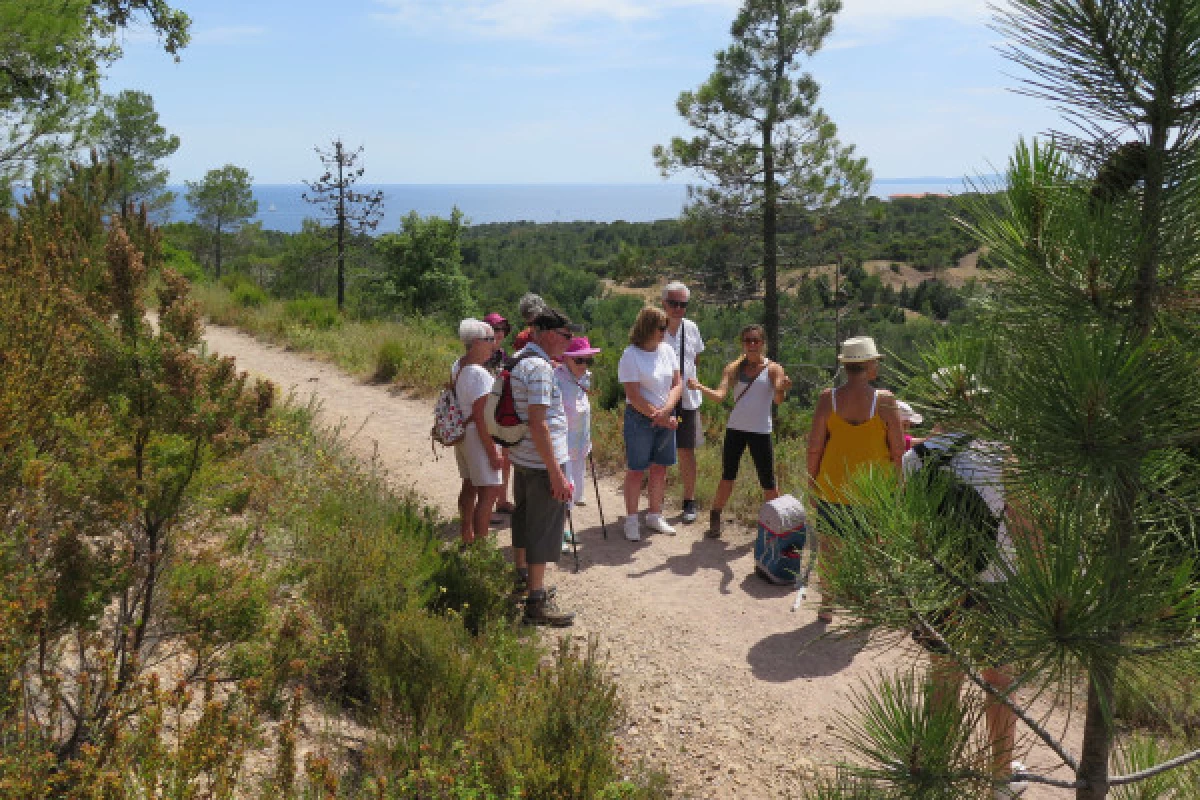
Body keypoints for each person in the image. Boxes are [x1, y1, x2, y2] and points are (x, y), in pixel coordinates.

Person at [903, 369, 1028, 800]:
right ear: (972, 403)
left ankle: (935, 772)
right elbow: (1026, 525)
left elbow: (911, 530)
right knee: (1001, 681)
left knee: (943, 678)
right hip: (997, 584)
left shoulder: (914, 458)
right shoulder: (1001, 454)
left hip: (941, 583)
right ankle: (998, 779)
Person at [806, 335, 905, 621]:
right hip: (873, 492)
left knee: (829, 549)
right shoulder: (884, 401)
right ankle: (869, 608)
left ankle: (827, 605)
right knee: (871, 550)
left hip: (833, 486)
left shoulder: (829, 399)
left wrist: (811, 483)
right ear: (871, 366)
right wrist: (899, 489)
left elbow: (815, 446)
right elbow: (898, 450)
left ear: (847, 366)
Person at [689, 324, 791, 538]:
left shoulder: (773, 368)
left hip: (761, 431)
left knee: (768, 481)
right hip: (736, 428)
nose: (752, 344)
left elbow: (778, 399)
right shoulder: (733, 368)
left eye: (756, 340)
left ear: (763, 343)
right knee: (728, 475)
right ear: (742, 343)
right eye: (748, 340)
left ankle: (777, 525)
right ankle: (715, 515)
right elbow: (719, 396)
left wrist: (781, 388)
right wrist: (699, 387)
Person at [509, 308, 577, 626]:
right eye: (567, 336)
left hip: (523, 458)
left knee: (523, 520)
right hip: (540, 463)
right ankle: (536, 601)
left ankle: (522, 576)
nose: (569, 342)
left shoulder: (520, 358)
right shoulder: (539, 368)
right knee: (542, 530)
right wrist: (557, 473)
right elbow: (539, 424)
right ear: (550, 334)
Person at [617, 306, 682, 542]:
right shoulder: (630, 355)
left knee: (660, 468)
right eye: (661, 327)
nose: (665, 332)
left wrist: (666, 411)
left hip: (665, 415)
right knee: (636, 470)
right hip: (640, 419)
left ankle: (654, 515)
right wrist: (661, 416)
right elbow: (633, 395)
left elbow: (678, 383)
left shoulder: (667, 350)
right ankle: (632, 519)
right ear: (647, 328)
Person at [450, 319, 504, 547]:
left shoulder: (459, 365)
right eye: (489, 339)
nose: (494, 344)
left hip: (464, 434)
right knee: (489, 492)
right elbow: (482, 416)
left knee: (469, 485)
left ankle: (467, 536)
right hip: (478, 436)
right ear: (476, 342)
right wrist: (493, 452)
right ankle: (481, 551)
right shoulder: (479, 374)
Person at [662, 281, 705, 524]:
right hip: (662, 398)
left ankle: (689, 500)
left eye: (683, 304)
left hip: (688, 398)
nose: (677, 309)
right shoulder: (654, 328)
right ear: (663, 304)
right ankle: (656, 503)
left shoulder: (692, 328)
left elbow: (695, 358)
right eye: (673, 303)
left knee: (686, 449)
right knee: (658, 450)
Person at [555, 336, 601, 552]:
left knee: (573, 491)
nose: (584, 365)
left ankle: (563, 529)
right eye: (579, 360)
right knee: (564, 490)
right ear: (566, 359)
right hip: (562, 447)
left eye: (587, 360)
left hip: (580, 446)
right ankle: (555, 535)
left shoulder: (584, 379)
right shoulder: (556, 379)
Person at [483, 312, 516, 514]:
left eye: (503, 329)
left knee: (505, 457)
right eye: (496, 328)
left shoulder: (502, 355)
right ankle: (487, 507)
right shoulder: (479, 354)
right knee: (490, 460)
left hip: (500, 411)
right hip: (486, 412)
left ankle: (501, 500)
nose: (500, 333)